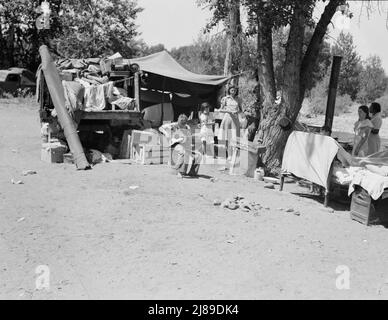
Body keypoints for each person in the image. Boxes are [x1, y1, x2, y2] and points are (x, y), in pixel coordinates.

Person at [215, 85, 242, 161]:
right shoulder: (225, 99)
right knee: (227, 137)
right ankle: (229, 154)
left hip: (235, 119)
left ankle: (234, 154)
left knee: (234, 137)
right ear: (229, 90)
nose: (233, 92)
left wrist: (237, 111)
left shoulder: (238, 99)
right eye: (232, 90)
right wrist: (229, 111)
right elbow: (220, 110)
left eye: (235, 90)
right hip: (227, 118)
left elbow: (241, 110)